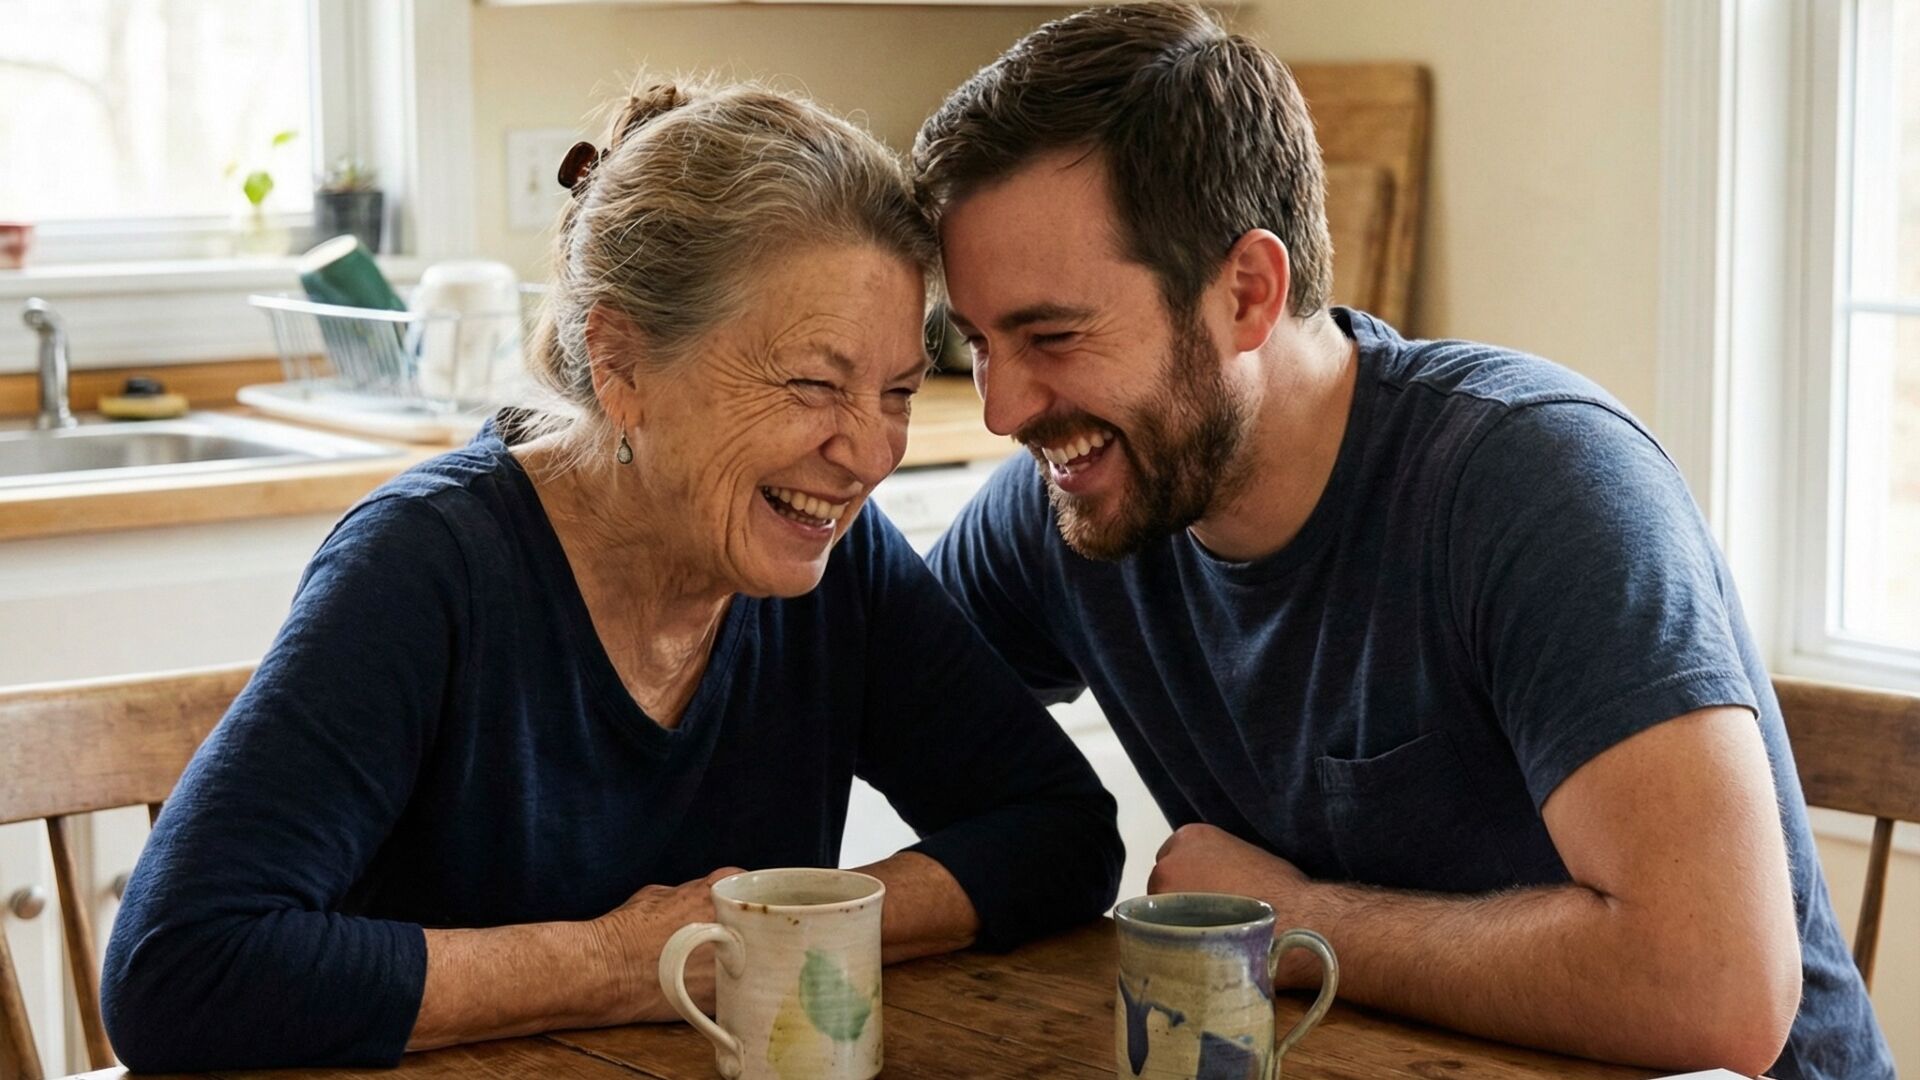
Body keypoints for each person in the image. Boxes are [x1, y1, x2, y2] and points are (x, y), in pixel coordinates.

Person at [913, 6, 1892, 1078]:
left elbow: (1714, 990)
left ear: (1248, 292)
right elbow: (851, 677)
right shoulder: (1072, 507)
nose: (1003, 408)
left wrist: (1290, 919)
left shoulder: (1535, 482)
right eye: (978, 341)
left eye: (1053, 336)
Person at [100, 78, 1121, 1071]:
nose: (867, 453)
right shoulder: (425, 568)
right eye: (813, 384)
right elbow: (178, 969)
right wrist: (620, 964)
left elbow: (1062, 837)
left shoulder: (837, 561)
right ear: (623, 365)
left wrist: (766, 929)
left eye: (897, 391)